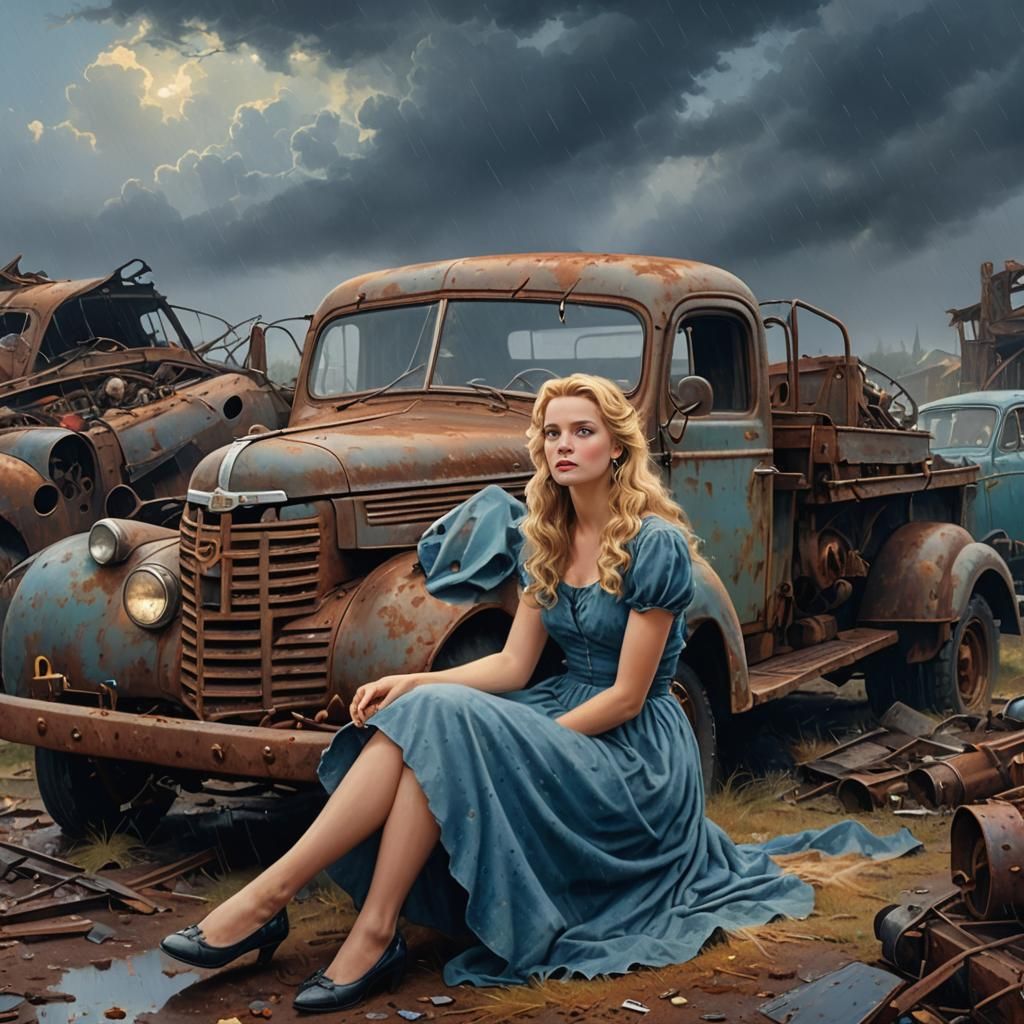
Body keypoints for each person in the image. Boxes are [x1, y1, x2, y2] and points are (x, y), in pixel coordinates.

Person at [160, 373, 914, 1013]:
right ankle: (345, 921)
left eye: (581, 431)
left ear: (616, 446)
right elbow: (515, 668)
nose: (562, 445)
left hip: (635, 753)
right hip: (557, 708)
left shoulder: (653, 545)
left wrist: (531, 742)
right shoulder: (544, 537)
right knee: (425, 718)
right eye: (552, 432)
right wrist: (408, 677)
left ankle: (292, 909)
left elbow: (627, 695)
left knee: (450, 729)